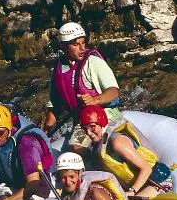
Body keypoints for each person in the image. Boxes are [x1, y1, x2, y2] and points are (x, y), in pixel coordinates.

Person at [79, 104, 173, 200]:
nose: (89, 133)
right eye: (85, 129)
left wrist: (132, 191)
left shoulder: (118, 142)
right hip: (140, 188)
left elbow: (146, 168)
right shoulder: (97, 148)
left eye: (92, 127)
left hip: (158, 182)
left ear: (101, 122)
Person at [42, 22, 121, 156]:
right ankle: (92, 164)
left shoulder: (94, 62)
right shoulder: (58, 70)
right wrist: (47, 128)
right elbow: (55, 104)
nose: (82, 48)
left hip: (105, 115)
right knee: (75, 148)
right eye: (75, 45)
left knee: (78, 147)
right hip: (82, 122)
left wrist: (95, 100)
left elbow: (114, 91)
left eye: (83, 43)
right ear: (63, 47)